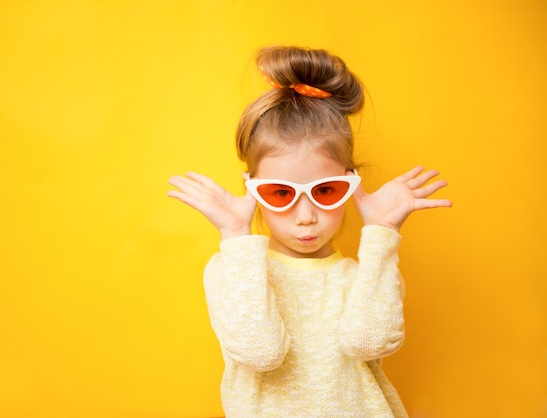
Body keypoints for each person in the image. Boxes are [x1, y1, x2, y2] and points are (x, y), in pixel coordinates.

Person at [167, 45, 452, 417]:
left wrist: (382, 232)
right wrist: (235, 236)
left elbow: (369, 343)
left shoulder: (368, 274)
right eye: (280, 193)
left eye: (325, 191)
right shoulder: (231, 270)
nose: (306, 216)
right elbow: (260, 353)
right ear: (252, 189)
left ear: (351, 185)